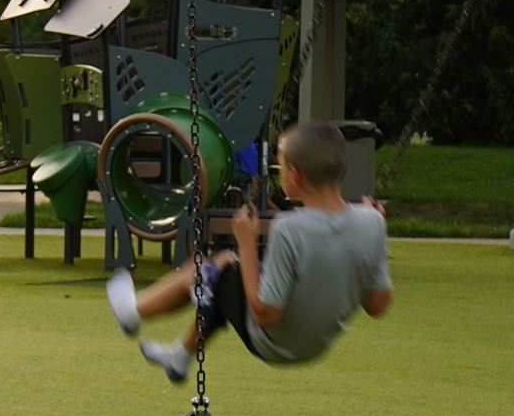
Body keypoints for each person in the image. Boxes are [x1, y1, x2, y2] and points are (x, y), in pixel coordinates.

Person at [106, 119, 392, 377]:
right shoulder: (372, 222)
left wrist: (245, 241)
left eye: (279, 167)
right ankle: (180, 357)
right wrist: (371, 238)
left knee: (212, 268)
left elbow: (265, 315)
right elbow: (377, 305)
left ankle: (133, 311)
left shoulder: (290, 229)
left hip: (275, 343)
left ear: (294, 174)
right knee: (220, 280)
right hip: (317, 343)